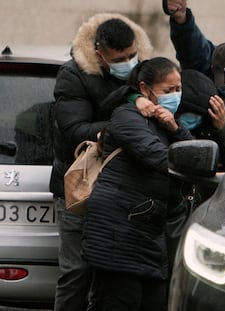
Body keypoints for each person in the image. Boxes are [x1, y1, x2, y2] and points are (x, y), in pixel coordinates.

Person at [50, 13, 152, 311]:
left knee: (109, 279)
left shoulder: (141, 70)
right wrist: (124, 125)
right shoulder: (74, 74)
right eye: (120, 58)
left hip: (122, 189)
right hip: (80, 190)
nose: (129, 62)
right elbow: (72, 132)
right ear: (100, 54)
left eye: (132, 55)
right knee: (76, 273)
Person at [82, 57, 193, 311]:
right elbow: (157, 155)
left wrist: (175, 128)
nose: (175, 96)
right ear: (145, 89)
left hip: (149, 236)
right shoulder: (126, 116)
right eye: (168, 91)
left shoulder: (164, 122)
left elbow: (190, 149)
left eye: (178, 89)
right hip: (118, 235)